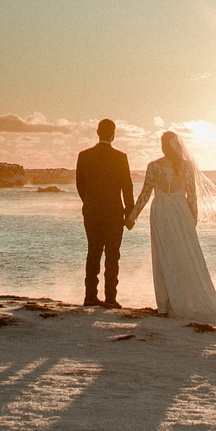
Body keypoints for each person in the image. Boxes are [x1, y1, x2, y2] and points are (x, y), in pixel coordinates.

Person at [128, 129, 216, 321]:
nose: (162, 147)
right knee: (184, 255)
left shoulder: (154, 166)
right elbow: (193, 197)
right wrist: (192, 219)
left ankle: (166, 304)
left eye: (163, 144)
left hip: (162, 211)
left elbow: (145, 194)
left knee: (164, 255)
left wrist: (132, 216)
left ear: (166, 146)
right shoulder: (186, 167)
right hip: (181, 212)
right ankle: (181, 301)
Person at [75, 119, 134, 306]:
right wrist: (129, 213)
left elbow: (80, 185)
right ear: (113, 134)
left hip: (91, 211)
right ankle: (110, 298)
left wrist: (90, 202)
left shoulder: (84, 156)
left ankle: (90, 296)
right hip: (114, 212)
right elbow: (127, 187)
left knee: (93, 252)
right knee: (112, 255)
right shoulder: (120, 157)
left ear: (97, 132)